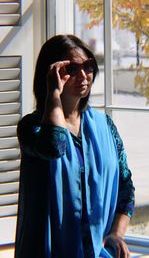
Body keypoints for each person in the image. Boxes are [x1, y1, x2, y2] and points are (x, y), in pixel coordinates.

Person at [15, 34, 135, 258]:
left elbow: (126, 188)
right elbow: (54, 146)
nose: (83, 76)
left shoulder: (104, 126)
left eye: (88, 66)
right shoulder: (31, 128)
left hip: (98, 253)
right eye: (71, 69)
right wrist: (53, 94)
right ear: (51, 75)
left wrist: (117, 234)